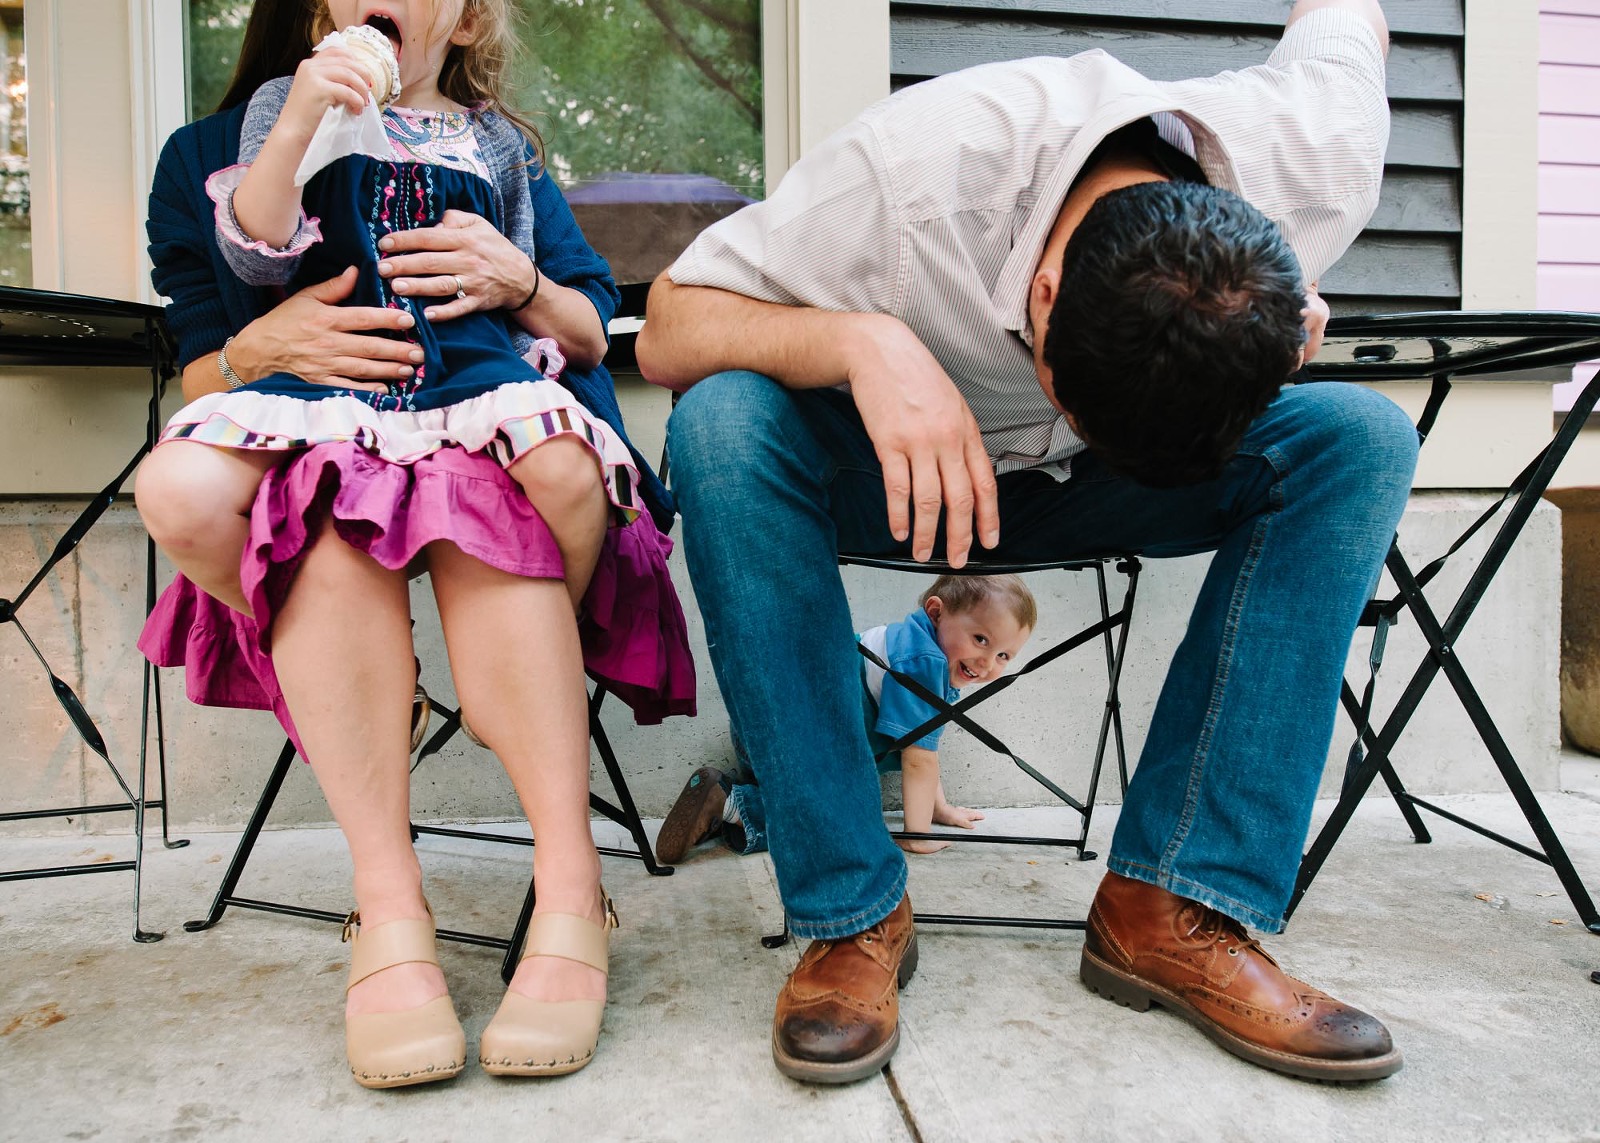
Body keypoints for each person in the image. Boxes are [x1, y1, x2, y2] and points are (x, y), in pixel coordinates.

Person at [638, 0, 1416, 1087]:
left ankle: (1171, 906)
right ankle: (850, 911)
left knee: (1360, 437)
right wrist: (859, 343)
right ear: (1043, 293)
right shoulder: (916, 178)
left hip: (1104, 491)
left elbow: (1344, 21)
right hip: (902, 476)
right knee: (721, 425)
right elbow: (669, 324)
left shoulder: (1311, 158)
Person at [136, 0, 691, 1089]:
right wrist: (259, 338)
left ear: (471, 13)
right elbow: (222, 318)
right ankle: (389, 907)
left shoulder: (500, 147)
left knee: (491, 506)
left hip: (481, 416)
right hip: (328, 429)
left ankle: (571, 888)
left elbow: (586, 321)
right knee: (325, 532)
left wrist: (518, 279)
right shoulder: (249, 138)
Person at [657, 574, 1034, 862]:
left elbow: (921, 743)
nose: (987, 663)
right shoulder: (925, 664)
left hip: (767, 725)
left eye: (1004, 656)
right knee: (844, 829)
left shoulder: (916, 645)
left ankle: (734, 809)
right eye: (981, 639)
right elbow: (919, 758)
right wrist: (917, 833)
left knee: (822, 807)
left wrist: (939, 808)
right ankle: (730, 805)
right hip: (787, 738)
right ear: (937, 613)